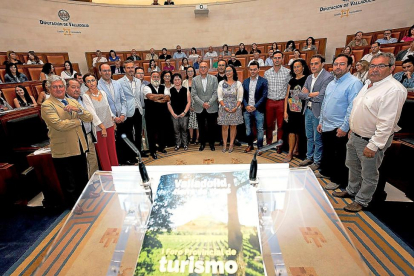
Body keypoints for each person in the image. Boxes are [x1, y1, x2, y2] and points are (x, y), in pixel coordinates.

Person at [333, 52, 407, 212]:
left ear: (392, 68)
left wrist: (374, 145)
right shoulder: (368, 84)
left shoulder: (393, 90)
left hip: (371, 140)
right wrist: (352, 129)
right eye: (373, 65)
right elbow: (358, 108)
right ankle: (352, 190)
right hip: (355, 135)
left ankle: (362, 200)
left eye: (381, 66)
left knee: (369, 173)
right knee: (352, 166)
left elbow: (387, 122)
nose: (375, 69)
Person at [41, 75, 93, 214]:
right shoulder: (47, 105)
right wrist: (78, 121)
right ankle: (73, 204)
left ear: (65, 88)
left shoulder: (71, 101)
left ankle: (83, 197)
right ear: (49, 88)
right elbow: (58, 125)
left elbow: (89, 116)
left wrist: (78, 111)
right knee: (69, 180)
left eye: (61, 86)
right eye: (55, 87)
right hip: (63, 148)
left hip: (79, 145)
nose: (58, 89)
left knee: (81, 175)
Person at [316, 54, 363, 190]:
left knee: (340, 156)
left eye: (342, 64)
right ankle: (327, 172)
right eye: (336, 64)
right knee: (329, 152)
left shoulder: (354, 83)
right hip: (327, 124)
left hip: (339, 126)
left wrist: (344, 127)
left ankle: (338, 180)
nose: (338, 67)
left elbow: (352, 107)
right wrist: (321, 121)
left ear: (349, 66)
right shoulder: (332, 83)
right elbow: (325, 103)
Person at [298, 55, 334, 170]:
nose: (313, 66)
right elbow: (300, 95)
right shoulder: (309, 78)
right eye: (312, 64)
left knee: (317, 138)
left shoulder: (328, 77)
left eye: (316, 63)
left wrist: (307, 94)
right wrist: (312, 94)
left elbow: (321, 97)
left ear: (322, 64)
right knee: (309, 136)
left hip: (318, 112)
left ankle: (317, 161)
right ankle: (309, 157)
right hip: (307, 110)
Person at [83, 73, 118, 171]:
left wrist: (113, 120)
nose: (91, 83)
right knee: (103, 153)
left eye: (93, 80)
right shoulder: (86, 96)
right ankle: (108, 173)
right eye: (88, 81)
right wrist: (102, 127)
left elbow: (108, 107)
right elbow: (92, 113)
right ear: (85, 84)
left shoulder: (102, 92)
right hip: (99, 127)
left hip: (109, 124)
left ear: (96, 81)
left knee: (112, 150)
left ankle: (116, 170)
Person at [97, 64, 131, 164]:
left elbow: (123, 100)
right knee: (113, 143)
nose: (107, 73)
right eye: (104, 71)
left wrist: (123, 114)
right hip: (109, 119)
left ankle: (125, 159)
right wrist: (114, 117)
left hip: (122, 117)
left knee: (124, 139)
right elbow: (104, 104)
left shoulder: (117, 83)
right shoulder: (98, 86)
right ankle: (117, 161)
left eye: (108, 70)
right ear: (100, 72)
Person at [66, 78, 99, 178]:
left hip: (89, 133)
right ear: (66, 89)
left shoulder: (83, 98)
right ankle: (86, 185)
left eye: (78, 87)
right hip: (77, 137)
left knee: (92, 159)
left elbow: (90, 115)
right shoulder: (64, 102)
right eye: (73, 87)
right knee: (82, 164)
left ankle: (94, 181)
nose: (77, 89)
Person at [118, 60, 147, 162]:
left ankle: (138, 153)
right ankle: (130, 156)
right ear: (124, 69)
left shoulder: (138, 81)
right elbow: (120, 99)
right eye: (128, 68)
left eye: (132, 67)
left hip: (138, 110)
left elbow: (138, 96)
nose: (131, 70)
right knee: (129, 134)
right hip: (127, 111)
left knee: (139, 133)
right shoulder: (120, 82)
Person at [283, 59, 310, 162]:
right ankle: (290, 153)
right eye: (294, 67)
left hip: (303, 111)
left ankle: (297, 150)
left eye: (298, 66)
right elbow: (287, 96)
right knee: (291, 131)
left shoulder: (308, 79)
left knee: (299, 131)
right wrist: (285, 111)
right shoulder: (292, 81)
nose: (296, 69)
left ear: (303, 67)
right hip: (291, 110)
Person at [264, 51, 291, 152]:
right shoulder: (267, 73)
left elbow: (289, 88)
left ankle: (279, 145)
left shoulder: (287, 72)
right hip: (270, 101)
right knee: (269, 124)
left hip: (281, 102)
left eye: (279, 58)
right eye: (275, 58)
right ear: (272, 59)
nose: (277, 60)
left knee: (281, 125)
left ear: (282, 59)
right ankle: (269, 143)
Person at [191, 61, 219, 151]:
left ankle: (212, 144)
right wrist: (202, 103)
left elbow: (216, 92)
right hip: (200, 107)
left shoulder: (214, 78)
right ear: (199, 69)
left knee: (212, 127)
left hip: (212, 107)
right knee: (201, 127)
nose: (203, 69)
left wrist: (209, 103)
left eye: (204, 67)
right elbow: (194, 94)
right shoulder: (195, 79)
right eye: (201, 67)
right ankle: (202, 143)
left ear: (207, 69)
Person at [143, 71, 171, 159]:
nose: (156, 78)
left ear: (160, 78)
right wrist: (161, 96)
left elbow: (167, 98)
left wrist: (157, 98)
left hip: (162, 115)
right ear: (151, 78)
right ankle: (153, 151)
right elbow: (150, 97)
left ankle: (161, 147)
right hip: (151, 115)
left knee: (162, 132)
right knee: (151, 133)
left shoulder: (164, 87)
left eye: (157, 77)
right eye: (154, 77)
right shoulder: (146, 87)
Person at [242, 61, 268, 153]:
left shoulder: (263, 81)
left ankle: (260, 147)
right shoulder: (245, 81)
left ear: (258, 70)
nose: (252, 71)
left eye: (254, 69)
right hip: (247, 109)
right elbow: (242, 96)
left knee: (260, 129)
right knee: (248, 128)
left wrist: (255, 106)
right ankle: (250, 145)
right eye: (251, 70)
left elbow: (264, 96)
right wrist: (246, 106)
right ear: (249, 70)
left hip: (258, 109)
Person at [217, 65, 243, 153]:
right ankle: (224, 144)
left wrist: (236, 107)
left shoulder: (238, 83)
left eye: (230, 71)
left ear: (233, 72)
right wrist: (224, 107)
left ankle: (231, 144)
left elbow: (240, 98)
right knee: (224, 127)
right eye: (226, 71)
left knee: (233, 126)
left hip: (235, 108)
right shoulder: (221, 83)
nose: (228, 73)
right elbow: (220, 97)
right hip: (224, 108)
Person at [168, 73, 191, 150]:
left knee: (184, 130)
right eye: (175, 80)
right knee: (176, 130)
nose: (177, 81)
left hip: (184, 114)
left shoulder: (186, 90)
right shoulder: (170, 91)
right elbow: (168, 103)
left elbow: (189, 102)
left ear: (181, 80)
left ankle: (185, 144)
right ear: (173, 81)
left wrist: (184, 112)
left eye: (178, 79)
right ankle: (177, 144)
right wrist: (173, 113)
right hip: (174, 114)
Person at [183, 66, 199, 144]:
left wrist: (196, 105)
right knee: (190, 122)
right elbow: (182, 94)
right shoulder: (184, 82)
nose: (190, 73)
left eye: (191, 71)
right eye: (188, 71)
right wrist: (188, 106)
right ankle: (191, 138)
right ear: (186, 73)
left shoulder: (197, 81)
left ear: (194, 72)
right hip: (187, 105)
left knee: (197, 122)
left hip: (197, 104)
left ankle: (197, 138)